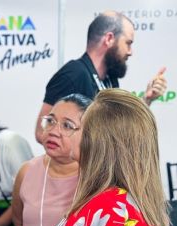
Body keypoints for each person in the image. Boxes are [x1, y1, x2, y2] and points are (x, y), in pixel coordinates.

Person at [40, 89, 169, 226]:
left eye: (80, 127)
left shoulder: (116, 218)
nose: (70, 134)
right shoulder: (109, 205)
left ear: (97, 140)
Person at [34, 10, 167, 143]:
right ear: (109, 39)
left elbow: (119, 129)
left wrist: (147, 99)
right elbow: (42, 132)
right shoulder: (74, 74)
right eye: (128, 43)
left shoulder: (110, 79)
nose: (130, 52)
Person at [12, 94, 92, 226]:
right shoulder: (27, 171)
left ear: (87, 134)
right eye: (51, 121)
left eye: (67, 126)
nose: (54, 131)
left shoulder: (94, 180)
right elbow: (19, 223)